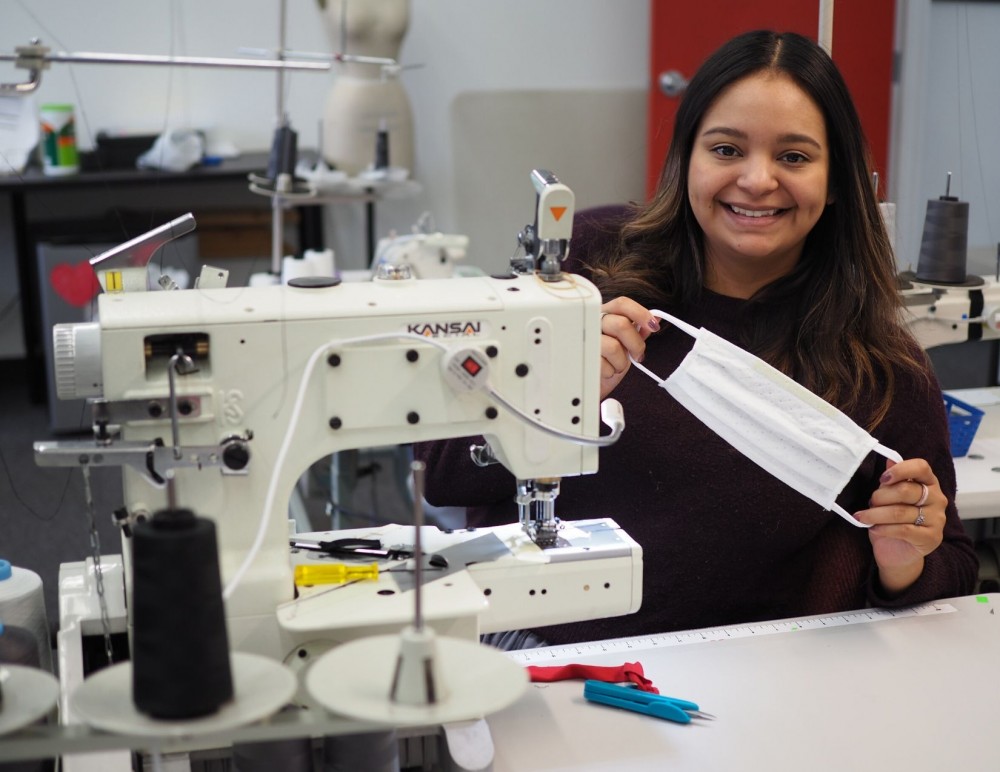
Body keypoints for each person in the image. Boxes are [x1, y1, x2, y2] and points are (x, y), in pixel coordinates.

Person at [414, 30, 978, 647]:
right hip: (539, 653)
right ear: (687, 158)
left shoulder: (878, 370)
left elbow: (951, 566)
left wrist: (903, 560)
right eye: (727, 149)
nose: (758, 180)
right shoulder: (585, 267)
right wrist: (552, 398)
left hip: (747, 682)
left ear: (838, 180)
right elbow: (442, 471)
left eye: (794, 157)